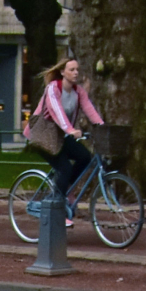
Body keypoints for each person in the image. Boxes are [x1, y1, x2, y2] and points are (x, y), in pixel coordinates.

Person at [37, 57, 104, 215]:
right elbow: (57, 111)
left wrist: (102, 127)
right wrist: (70, 130)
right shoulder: (53, 89)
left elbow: (89, 109)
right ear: (62, 72)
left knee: (85, 157)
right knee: (65, 168)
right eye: (71, 70)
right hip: (44, 136)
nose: (76, 73)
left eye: (77, 70)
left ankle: (67, 189)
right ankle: (58, 210)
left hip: (61, 136)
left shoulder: (78, 92)